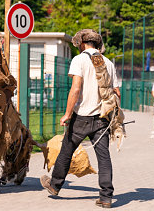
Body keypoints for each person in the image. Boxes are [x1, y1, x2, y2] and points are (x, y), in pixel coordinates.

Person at [40, 29, 120, 209]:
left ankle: (54, 185)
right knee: (104, 157)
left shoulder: (79, 60)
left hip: (81, 117)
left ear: (82, 43)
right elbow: (117, 93)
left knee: (66, 151)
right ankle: (106, 197)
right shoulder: (108, 63)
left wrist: (67, 114)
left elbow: (76, 89)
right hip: (102, 119)